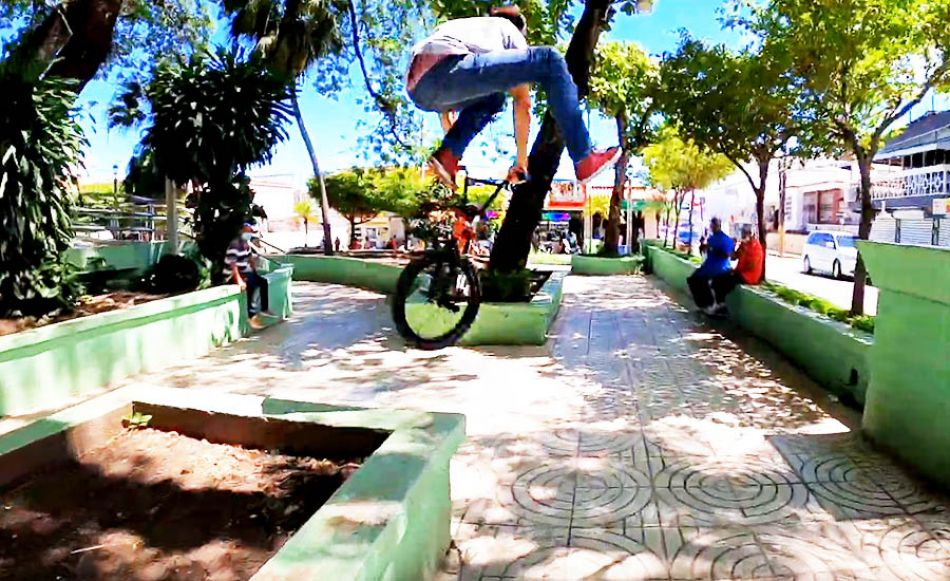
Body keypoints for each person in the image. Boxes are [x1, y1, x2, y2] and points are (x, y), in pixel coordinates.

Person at [406, 5, 621, 190]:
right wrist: (521, 161)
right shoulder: (507, 28)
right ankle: (584, 157)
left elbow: (446, 111)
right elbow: (522, 102)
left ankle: (448, 155)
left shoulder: (466, 28)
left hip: (420, 90)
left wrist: (452, 151)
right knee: (549, 59)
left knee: (494, 98)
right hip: (446, 69)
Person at [225, 223, 273, 327]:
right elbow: (233, 265)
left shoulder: (246, 244)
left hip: (244, 271)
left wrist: (254, 270)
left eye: (250, 232)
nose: (249, 234)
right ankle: (251, 316)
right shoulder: (235, 245)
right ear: (241, 232)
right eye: (246, 231)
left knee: (262, 282)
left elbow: (250, 258)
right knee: (250, 284)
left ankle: (264, 308)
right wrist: (239, 281)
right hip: (232, 274)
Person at [687, 217, 734, 315]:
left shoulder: (725, 239)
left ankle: (710, 304)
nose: (712, 228)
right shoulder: (712, 238)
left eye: (713, 226)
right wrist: (703, 247)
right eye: (711, 226)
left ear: (718, 226)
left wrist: (712, 249)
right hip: (709, 266)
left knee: (699, 280)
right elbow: (705, 252)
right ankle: (704, 304)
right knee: (693, 279)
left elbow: (727, 255)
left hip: (719, 268)